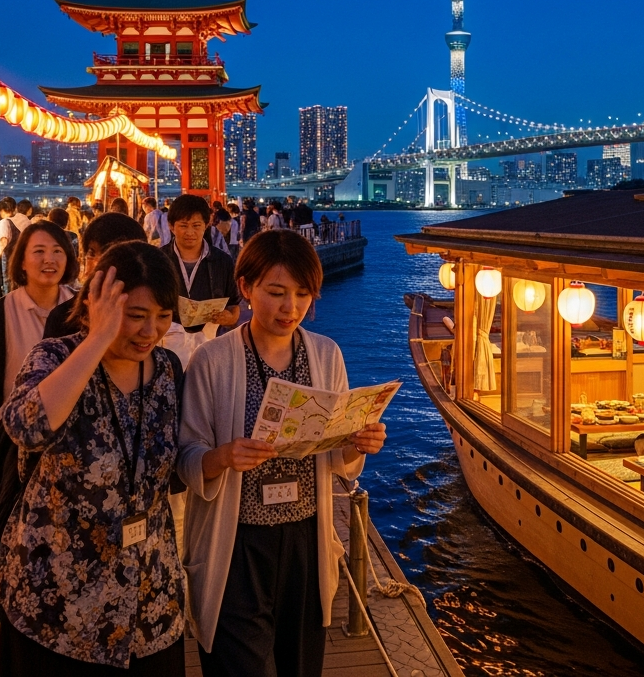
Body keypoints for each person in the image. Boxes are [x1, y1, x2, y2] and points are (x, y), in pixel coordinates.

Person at [0, 242, 186, 673]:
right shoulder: (54, 357)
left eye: (162, 317)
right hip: (58, 600)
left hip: (149, 597)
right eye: (136, 316)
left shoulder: (166, 369)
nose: (150, 332)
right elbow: (24, 427)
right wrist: (98, 339)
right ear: (93, 306)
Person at [180, 230, 387, 677]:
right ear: (246, 288)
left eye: (302, 294)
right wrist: (224, 457)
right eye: (275, 292)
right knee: (238, 662)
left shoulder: (325, 354)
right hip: (235, 542)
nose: (290, 307)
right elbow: (186, 454)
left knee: (300, 661)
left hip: (304, 539)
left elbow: (339, 461)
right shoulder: (211, 361)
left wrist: (357, 443)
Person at [0, 221, 77, 635]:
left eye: (57, 250)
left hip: (71, 441)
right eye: (38, 251)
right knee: (8, 523)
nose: (49, 259)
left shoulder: (83, 308)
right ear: (20, 260)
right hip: (11, 442)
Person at [162, 195, 240, 365]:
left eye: (196, 226)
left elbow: (234, 304)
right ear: (171, 226)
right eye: (183, 225)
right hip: (165, 349)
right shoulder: (158, 260)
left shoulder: (223, 261)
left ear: (206, 225)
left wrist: (230, 318)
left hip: (209, 347)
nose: (190, 232)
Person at [44, 213, 149, 340]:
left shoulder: (150, 314)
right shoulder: (64, 317)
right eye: (91, 253)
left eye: (109, 255)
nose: (97, 263)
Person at [0, 198, 20, 295]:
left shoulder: (4, 222)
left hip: (8, 256)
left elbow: (3, 241)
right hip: (18, 256)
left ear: (1, 210)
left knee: (8, 282)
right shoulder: (18, 222)